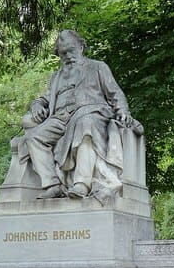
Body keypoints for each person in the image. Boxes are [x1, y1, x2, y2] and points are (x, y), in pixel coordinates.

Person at [17, 30, 137, 200]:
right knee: (34, 137)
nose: (67, 56)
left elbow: (115, 93)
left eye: (71, 50)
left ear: (81, 47)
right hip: (60, 119)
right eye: (62, 53)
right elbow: (44, 98)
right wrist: (36, 105)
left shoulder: (97, 67)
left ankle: (82, 183)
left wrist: (123, 111)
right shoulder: (56, 76)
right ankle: (52, 184)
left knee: (85, 123)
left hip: (91, 113)